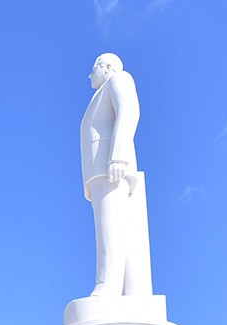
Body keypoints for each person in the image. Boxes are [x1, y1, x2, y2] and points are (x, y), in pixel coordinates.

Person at [80, 52, 152, 297]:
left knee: (110, 225)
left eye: (94, 68)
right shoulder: (100, 92)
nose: (91, 74)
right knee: (113, 226)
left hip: (109, 165)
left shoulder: (119, 79)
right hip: (100, 170)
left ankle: (107, 285)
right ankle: (128, 289)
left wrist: (118, 155)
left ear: (107, 66)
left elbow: (129, 111)